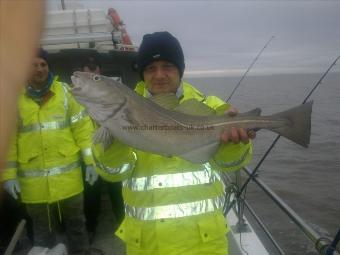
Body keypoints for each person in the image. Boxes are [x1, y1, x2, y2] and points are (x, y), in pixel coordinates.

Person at [93, 31, 255, 255]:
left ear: (180, 69)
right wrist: (114, 133)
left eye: (167, 66)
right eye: (151, 68)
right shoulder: (123, 108)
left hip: (203, 246)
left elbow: (231, 164)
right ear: (142, 74)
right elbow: (113, 173)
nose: (159, 75)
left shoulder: (212, 107)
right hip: (147, 246)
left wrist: (236, 144)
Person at [1, 48, 97, 254]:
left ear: (48, 67)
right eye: (34, 65)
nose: (39, 69)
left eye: (43, 65)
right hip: (34, 187)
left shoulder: (65, 93)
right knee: (43, 236)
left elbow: (82, 129)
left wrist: (91, 162)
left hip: (69, 183)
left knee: (78, 229)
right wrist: (8, 176)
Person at [79, 56, 125, 241]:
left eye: (93, 69)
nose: (90, 73)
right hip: (90, 154)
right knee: (92, 195)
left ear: (99, 72)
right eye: (86, 70)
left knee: (117, 192)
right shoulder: (77, 96)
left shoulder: (112, 92)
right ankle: (91, 229)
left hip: (112, 150)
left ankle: (124, 227)